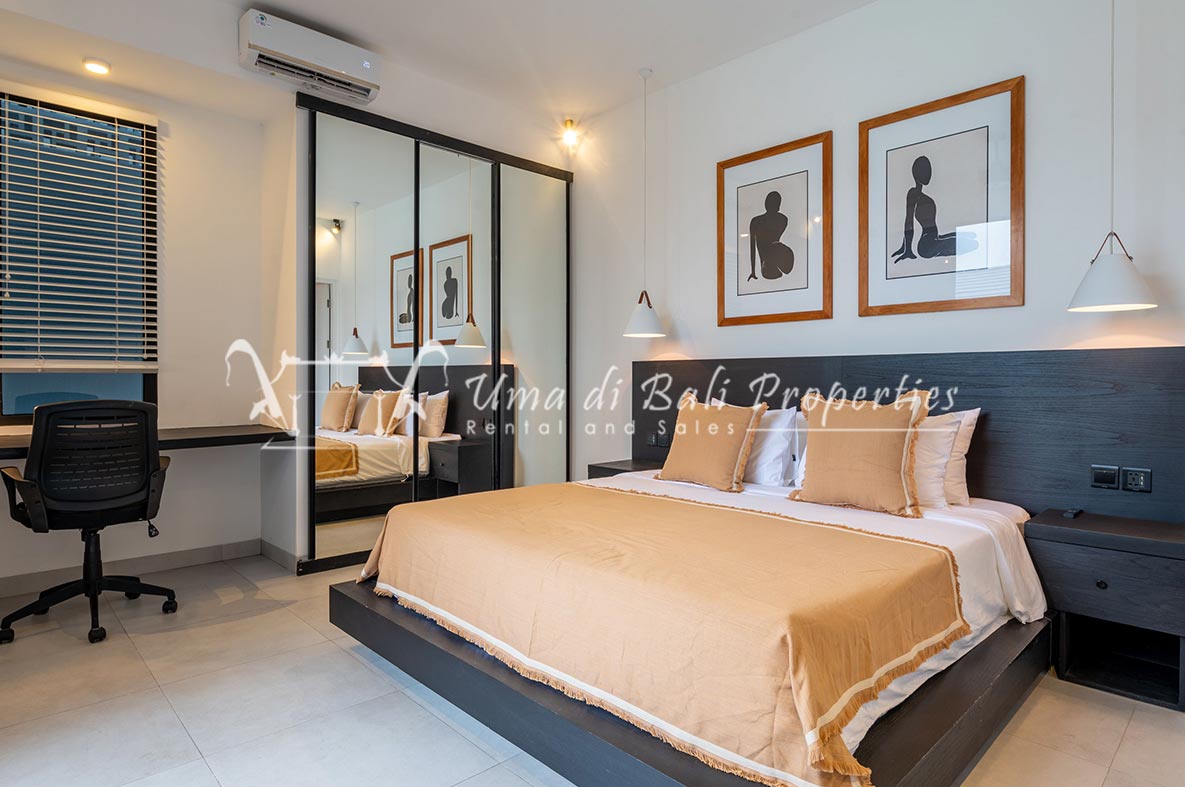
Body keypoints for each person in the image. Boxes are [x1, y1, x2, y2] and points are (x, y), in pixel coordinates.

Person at [891, 155, 978, 263]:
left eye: (929, 170)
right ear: (916, 173)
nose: (929, 174)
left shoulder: (923, 197)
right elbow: (909, 221)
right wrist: (907, 248)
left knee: (969, 237)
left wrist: (905, 247)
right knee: (972, 244)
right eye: (925, 171)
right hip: (926, 246)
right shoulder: (913, 194)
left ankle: (965, 237)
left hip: (934, 238)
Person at [748, 190, 795, 281]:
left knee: (774, 247)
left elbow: (755, 245)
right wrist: (753, 271)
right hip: (768, 266)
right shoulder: (757, 221)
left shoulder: (782, 219)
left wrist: (753, 271)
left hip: (779, 260)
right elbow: (752, 246)